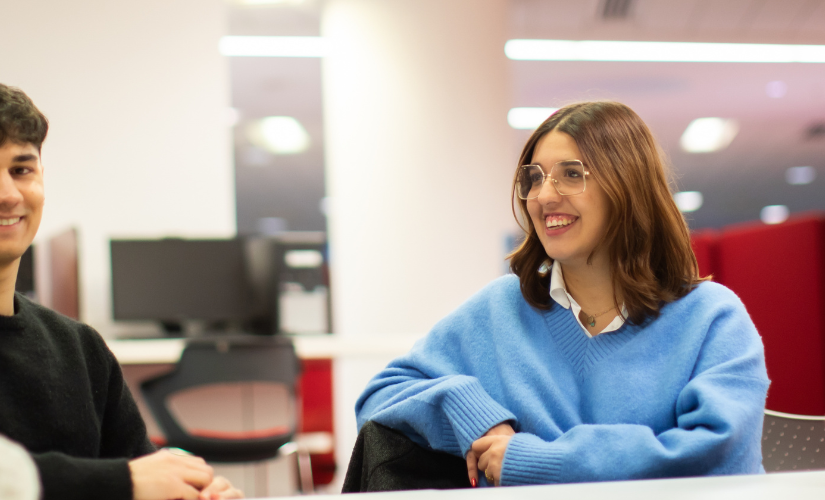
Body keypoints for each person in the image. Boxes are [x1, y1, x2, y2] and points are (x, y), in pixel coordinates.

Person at [355, 101, 769, 487]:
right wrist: (472, 412)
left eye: (571, 174)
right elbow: (379, 398)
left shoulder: (712, 318)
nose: (544, 196)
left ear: (627, 185)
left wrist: (533, 460)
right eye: (534, 178)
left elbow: (717, 457)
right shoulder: (501, 309)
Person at [0, 83, 243, 500]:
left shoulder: (80, 349)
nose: (8, 195)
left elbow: (143, 473)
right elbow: (129, 479)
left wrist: (189, 489)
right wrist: (123, 483)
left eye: (22, 170)